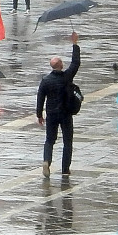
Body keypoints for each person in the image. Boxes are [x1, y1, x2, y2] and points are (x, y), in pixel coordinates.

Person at [35, 36, 82, 177]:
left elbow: (40, 97)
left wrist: (39, 114)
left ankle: (46, 160)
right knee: (68, 141)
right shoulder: (67, 77)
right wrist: (75, 44)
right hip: (66, 113)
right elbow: (76, 63)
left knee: (50, 140)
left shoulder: (45, 81)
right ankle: (65, 169)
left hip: (51, 114)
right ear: (61, 65)